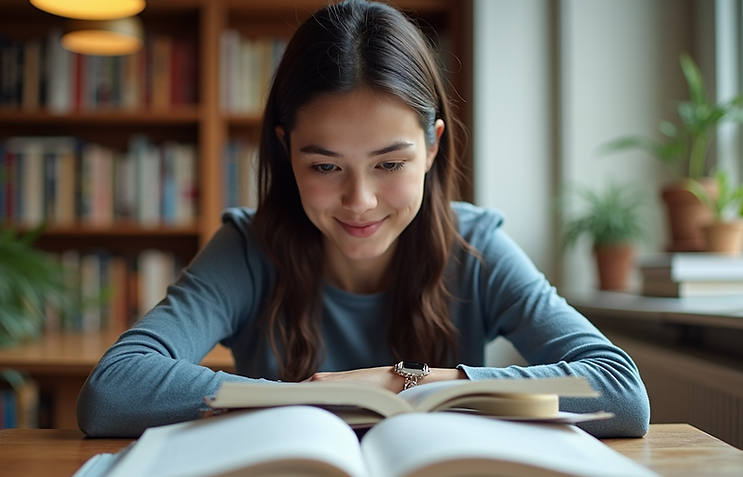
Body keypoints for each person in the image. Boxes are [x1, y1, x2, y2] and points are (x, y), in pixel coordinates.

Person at [76, 0, 649, 439]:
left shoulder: (476, 246)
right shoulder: (248, 247)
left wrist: (401, 383)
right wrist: (309, 398)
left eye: (390, 163)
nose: (360, 201)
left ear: (432, 150)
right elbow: (113, 391)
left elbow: (621, 394)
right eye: (325, 165)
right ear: (286, 151)